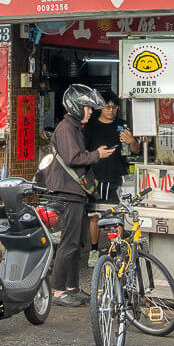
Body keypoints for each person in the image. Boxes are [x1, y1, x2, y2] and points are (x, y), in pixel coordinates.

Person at [47, 84, 115, 307]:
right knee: (68, 243)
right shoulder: (66, 128)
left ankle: (72, 288)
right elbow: (73, 158)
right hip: (67, 193)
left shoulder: (74, 127)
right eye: (87, 107)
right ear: (75, 107)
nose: (90, 111)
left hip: (75, 193)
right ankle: (57, 291)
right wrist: (97, 154)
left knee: (76, 244)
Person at [83, 90, 136, 267]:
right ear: (100, 108)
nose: (111, 111)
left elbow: (136, 150)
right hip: (95, 177)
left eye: (114, 107)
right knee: (94, 215)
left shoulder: (123, 125)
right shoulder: (91, 126)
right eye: (107, 107)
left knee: (118, 214)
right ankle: (94, 249)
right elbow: (83, 152)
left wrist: (131, 141)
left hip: (117, 175)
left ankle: (117, 250)